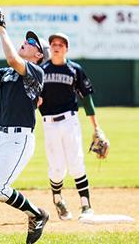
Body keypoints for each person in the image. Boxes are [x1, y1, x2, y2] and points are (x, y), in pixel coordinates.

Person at [0, 18, 51, 244]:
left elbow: (13, 59)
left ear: (39, 55)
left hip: (20, 139)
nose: (26, 41)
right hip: (0, 137)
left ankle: (37, 214)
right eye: (27, 39)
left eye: (32, 42)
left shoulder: (36, 73)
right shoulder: (7, 73)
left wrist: (3, 31)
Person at [38, 32, 100, 221]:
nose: (57, 47)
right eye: (54, 44)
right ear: (50, 47)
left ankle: (85, 205)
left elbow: (87, 99)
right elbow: (32, 97)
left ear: (67, 48)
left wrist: (97, 128)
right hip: (49, 123)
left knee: (76, 163)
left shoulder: (75, 70)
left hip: (70, 121)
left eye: (61, 44)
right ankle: (58, 200)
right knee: (57, 169)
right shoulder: (41, 71)